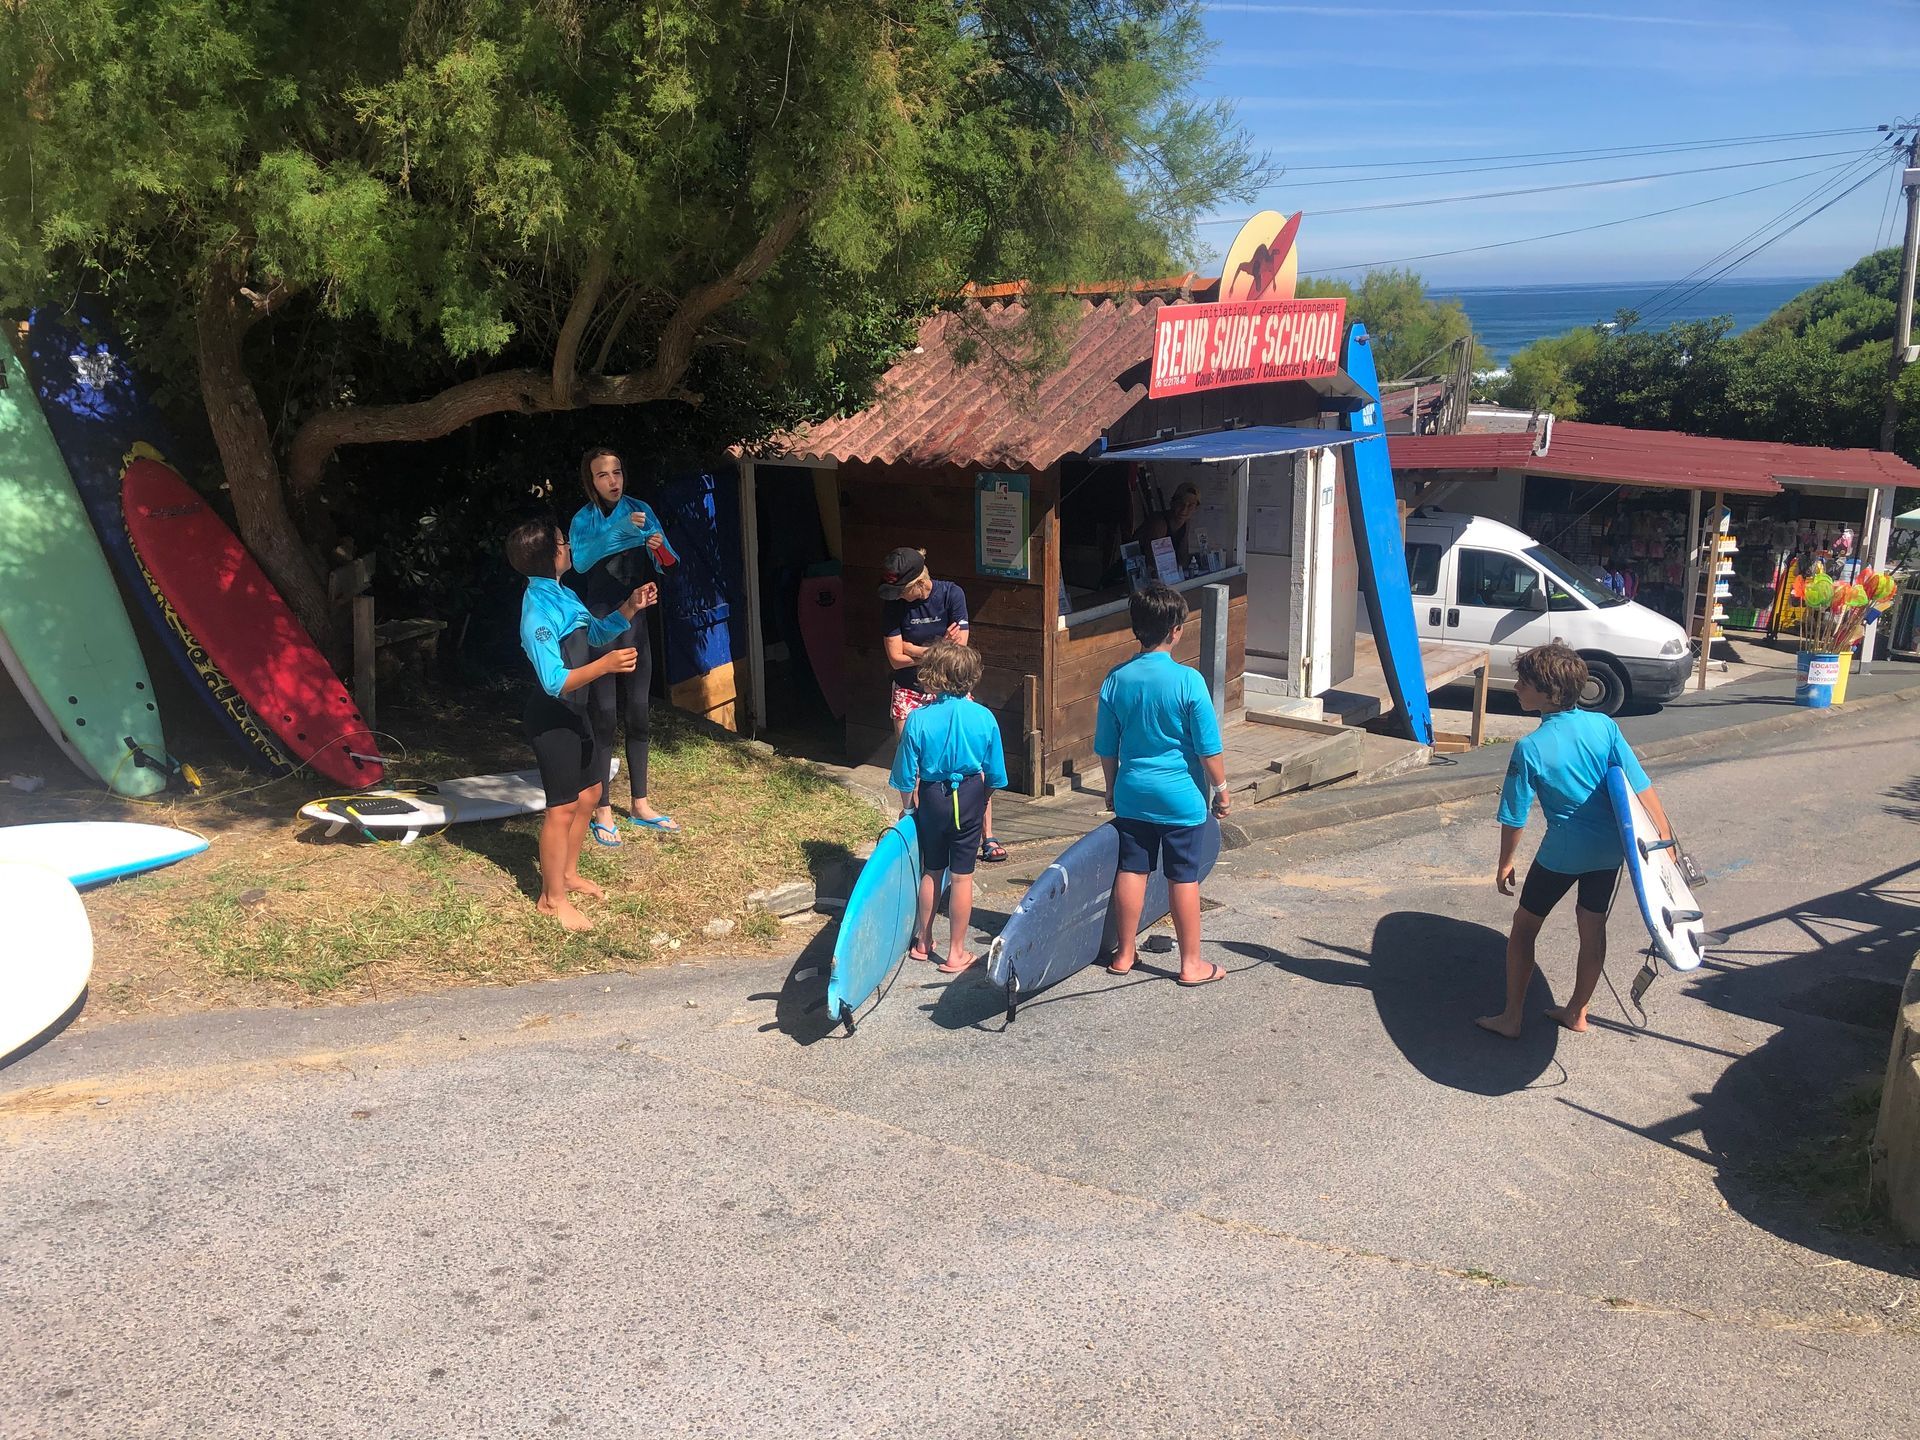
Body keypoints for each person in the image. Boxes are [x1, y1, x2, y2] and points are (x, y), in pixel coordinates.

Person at [1478, 641, 1674, 1038]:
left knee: (1524, 927)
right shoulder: (1604, 725)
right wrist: (1664, 840)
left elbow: (1515, 816)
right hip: (1611, 850)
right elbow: (1640, 787)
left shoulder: (1529, 748)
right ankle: (1577, 1013)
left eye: (1524, 682)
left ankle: (1512, 1017)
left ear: (1549, 693)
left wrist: (1505, 862)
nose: (1516, 687)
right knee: (1592, 928)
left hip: (1563, 853)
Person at [506, 517, 650, 933]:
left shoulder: (564, 594)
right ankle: (551, 900)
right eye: (562, 542)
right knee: (562, 806)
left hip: (576, 711)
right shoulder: (537, 608)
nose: (567, 546)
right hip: (552, 717)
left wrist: (629, 606)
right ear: (549, 554)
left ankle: (566, 875)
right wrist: (605, 666)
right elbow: (553, 680)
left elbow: (598, 632)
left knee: (588, 795)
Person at [1095, 581, 1230, 987]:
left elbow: (1106, 746)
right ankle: (1191, 964)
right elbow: (1208, 748)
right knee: (1183, 877)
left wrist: (1111, 786)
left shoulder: (1115, 679)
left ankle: (1124, 953)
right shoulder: (1188, 681)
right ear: (1175, 630)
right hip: (1181, 798)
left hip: (1132, 791)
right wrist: (1222, 789)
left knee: (1132, 869)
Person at [568, 447, 681, 845]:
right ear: (591, 481)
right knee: (604, 715)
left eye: (617, 472)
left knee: (637, 712)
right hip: (602, 622)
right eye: (603, 475)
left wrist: (655, 545)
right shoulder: (583, 519)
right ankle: (602, 810)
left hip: (638, 620)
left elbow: (669, 561)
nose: (613, 480)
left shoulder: (640, 508)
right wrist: (622, 534)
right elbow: (580, 562)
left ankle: (640, 803)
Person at [877, 546, 1007, 863]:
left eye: (901, 590)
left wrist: (914, 647)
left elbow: (959, 649)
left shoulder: (951, 594)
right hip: (909, 691)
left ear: (918, 582)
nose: (897, 596)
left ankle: (986, 836)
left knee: (972, 765)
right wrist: (939, 648)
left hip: (951, 690)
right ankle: (918, 832)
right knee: (915, 768)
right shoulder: (893, 605)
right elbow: (896, 658)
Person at [888, 641, 1007, 975]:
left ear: (934, 676)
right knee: (963, 876)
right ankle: (956, 953)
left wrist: (909, 809)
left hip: (932, 798)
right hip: (968, 794)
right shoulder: (984, 717)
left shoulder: (917, 719)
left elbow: (904, 774)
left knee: (932, 870)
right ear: (971, 678)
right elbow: (995, 773)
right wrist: (982, 797)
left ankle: (923, 942)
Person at [1132, 481, 1199, 574]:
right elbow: (1153, 562)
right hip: (1131, 573)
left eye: (1190, 505)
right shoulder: (1159, 523)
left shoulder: (1186, 522)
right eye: (1181, 503)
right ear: (1172, 503)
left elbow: (1183, 557)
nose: (1184, 509)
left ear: (1196, 508)